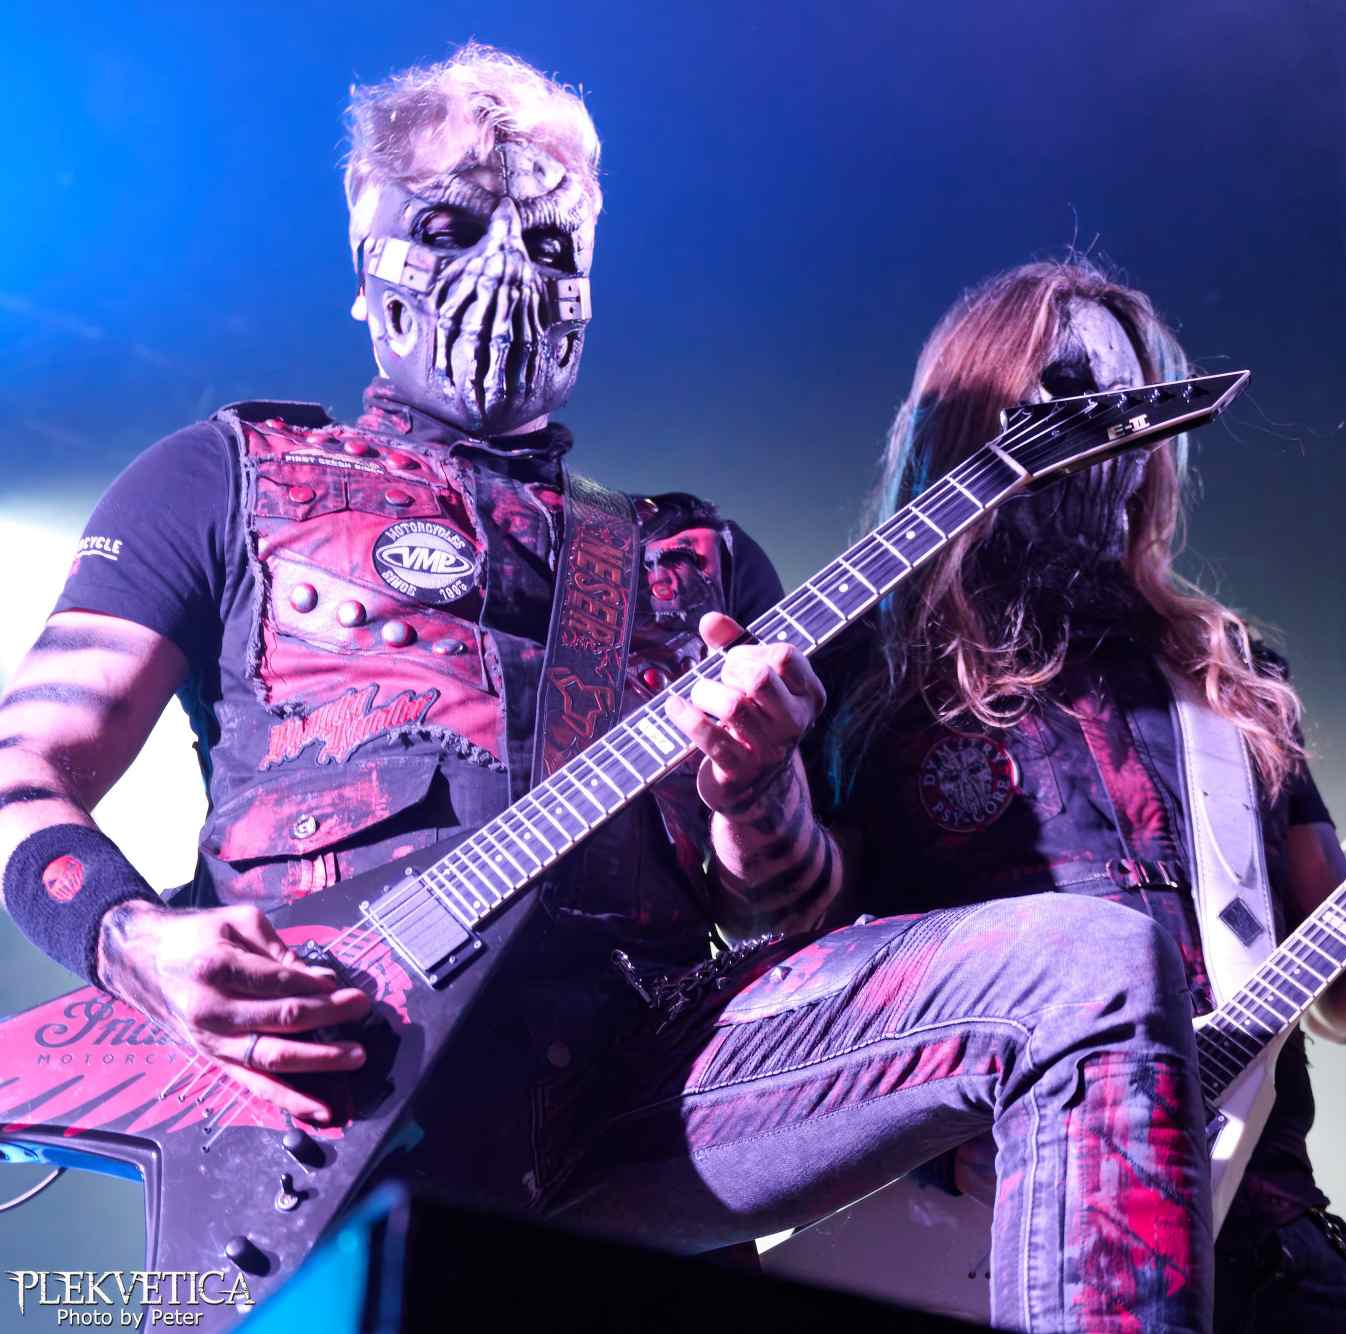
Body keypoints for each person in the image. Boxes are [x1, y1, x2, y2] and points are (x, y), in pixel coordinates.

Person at [0, 48, 1212, 1332]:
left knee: (1093, 964)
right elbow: (24, 767)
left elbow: (789, 908)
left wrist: (755, 789)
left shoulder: (697, 560)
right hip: (323, 1078)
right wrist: (130, 941)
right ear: (365, 261)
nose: (506, 273)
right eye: (450, 227)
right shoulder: (228, 474)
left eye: (549, 243)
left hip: (647, 1076)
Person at [806, 258, 1346, 1332]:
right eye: (1067, 392)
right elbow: (797, 985)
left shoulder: (1225, 678)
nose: (1108, 435)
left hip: (1256, 1229)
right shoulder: (862, 678)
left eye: (1137, 410)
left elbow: (1335, 992)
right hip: (996, 1235)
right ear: (974, 415)